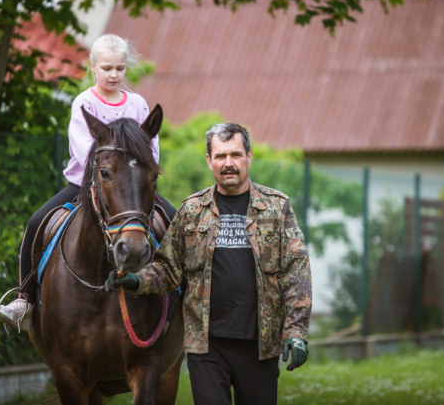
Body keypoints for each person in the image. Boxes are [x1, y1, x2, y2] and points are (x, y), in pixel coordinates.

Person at [106, 123, 312, 405]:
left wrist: (296, 332)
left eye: (236, 155)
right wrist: (137, 281)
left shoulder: (277, 207)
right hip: (206, 347)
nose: (229, 163)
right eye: (220, 156)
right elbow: (168, 268)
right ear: (208, 160)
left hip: (259, 345)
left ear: (249, 157)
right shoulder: (191, 210)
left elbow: (296, 271)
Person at [0, 34, 176, 331]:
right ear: (93, 68)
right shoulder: (85, 103)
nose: (114, 74)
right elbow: (84, 151)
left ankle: (180, 296)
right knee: (35, 221)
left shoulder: (139, 104)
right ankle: (24, 299)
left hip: (132, 191)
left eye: (119, 68)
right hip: (84, 187)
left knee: (174, 222)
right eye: (107, 68)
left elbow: (150, 149)